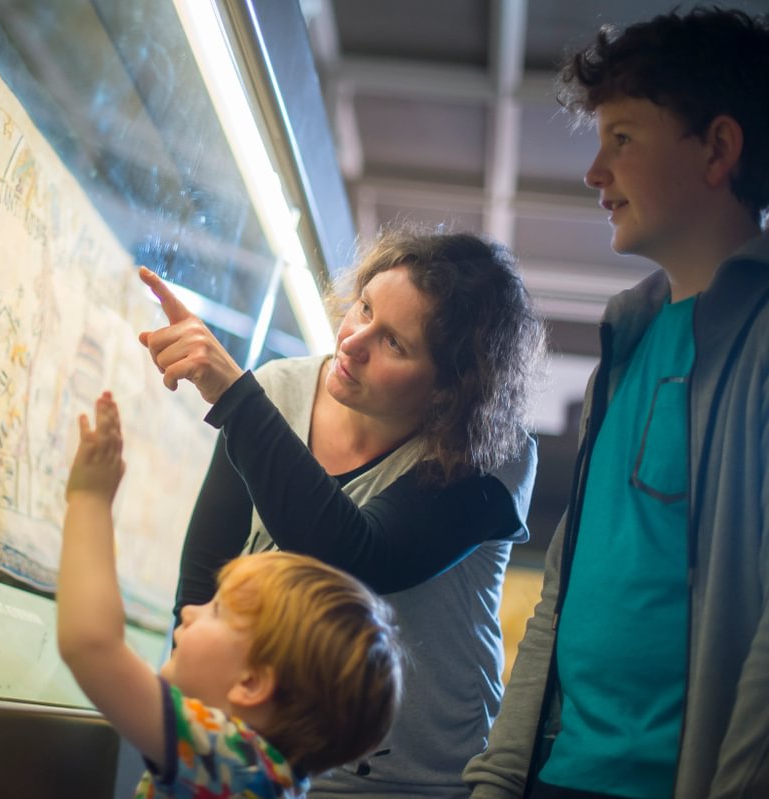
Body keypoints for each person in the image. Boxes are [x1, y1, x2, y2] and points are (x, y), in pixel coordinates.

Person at [463, 7, 769, 799]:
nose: (595, 173)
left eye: (622, 139)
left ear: (719, 148)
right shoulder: (626, 341)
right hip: (555, 778)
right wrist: (499, 777)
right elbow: (562, 590)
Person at [138, 225, 546, 797]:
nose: (353, 341)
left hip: (414, 783)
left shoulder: (491, 457)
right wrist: (191, 733)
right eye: (364, 307)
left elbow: (355, 557)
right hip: (254, 760)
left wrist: (235, 399)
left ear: (449, 391)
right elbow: (204, 580)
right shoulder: (277, 391)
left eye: (394, 344)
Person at [58, 392, 404, 798]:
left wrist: (89, 499)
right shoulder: (270, 778)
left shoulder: (233, 762)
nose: (190, 611)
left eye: (217, 611)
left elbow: (91, 644)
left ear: (252, 682)